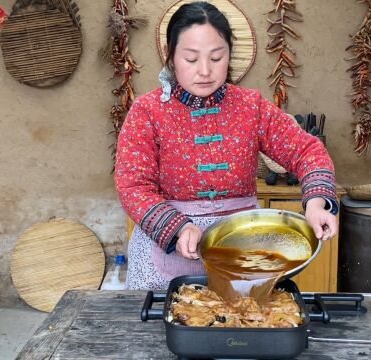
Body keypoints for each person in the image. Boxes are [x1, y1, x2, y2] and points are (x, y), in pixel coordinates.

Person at [114, 1, 338, 290]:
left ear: (229, 55)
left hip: (242, 250)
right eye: (191, 59)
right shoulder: (148, 111)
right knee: (169, 328)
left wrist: (317, 203)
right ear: (171, 57)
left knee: (245, 326)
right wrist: (177, 228)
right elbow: (133, 185)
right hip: (167, 250)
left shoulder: (251, 106)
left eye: (217, 58)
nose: (205, 71)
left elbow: (308, 151)